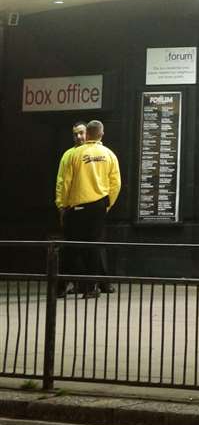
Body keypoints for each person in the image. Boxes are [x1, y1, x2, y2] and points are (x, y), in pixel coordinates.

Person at [55, 119, 121, 297]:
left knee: (71, 247)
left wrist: (62, 205)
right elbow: (116, 183)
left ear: (88, 134)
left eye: (81, 133)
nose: (78, 136)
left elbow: (64, 182)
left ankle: (62, 287)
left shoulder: (74, 155)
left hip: (77, 207)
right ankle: (91, 287)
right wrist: (108, 204)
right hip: (99, 205)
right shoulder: (109, 154)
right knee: (93, 247)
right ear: (101, 134)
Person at [55, 124, 88, 295]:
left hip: (87, 207)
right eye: (76, 134)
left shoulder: (93, 153)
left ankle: (84, 284)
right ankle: (69, 283)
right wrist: (61, 205)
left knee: (84, 248)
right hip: (72, 207)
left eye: (81, 133)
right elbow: (62, 182)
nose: (79, 137)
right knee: (72, 248)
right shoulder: (68, 155)